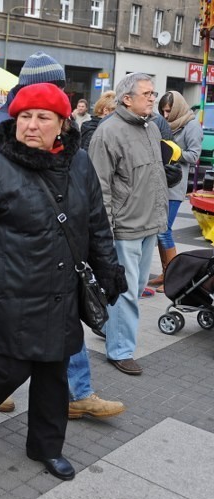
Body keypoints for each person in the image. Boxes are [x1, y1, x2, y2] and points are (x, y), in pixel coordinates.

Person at [0, 83, 126, 481]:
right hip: (8, 289)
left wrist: (108, 270)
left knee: (52, 373)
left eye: (43, 118)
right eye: (25, 116)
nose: (32, 125)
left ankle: (46, 447)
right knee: (7, 367)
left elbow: (95, 223)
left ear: (62, 125)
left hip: (60, 290)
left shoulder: (79, 164)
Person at [0, 52, 125, 419]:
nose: (38, 119)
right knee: (0, 349)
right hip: (11, 265)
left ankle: (75, 394)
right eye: (53, 88)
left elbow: (93, 215)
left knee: (57, 344)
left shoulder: (71, 147)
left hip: (58, 264)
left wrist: (106, 266)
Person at [88, 73, 167, 376]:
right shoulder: (108, 133)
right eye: (147, 93)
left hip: (147, 225)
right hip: (123, 229)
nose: (152, 97)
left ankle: (113, 330)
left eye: (153, 92)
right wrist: (104, 234)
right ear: (127, 99)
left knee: (135, 287)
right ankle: (120, 350)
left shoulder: (150, 128)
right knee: (125, 292)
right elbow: (100, 188)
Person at [149, 91, 203, 293]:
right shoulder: (166, 124)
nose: (165, 115)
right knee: (160, 231)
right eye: (162, 111)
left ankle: (174, 279)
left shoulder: (191, 125)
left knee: (165, 230)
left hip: (176, 185)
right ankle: (166, 273)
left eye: (169, 111)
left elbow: (194, 155)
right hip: (161, 182)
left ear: (178, 108)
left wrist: (176, 153)